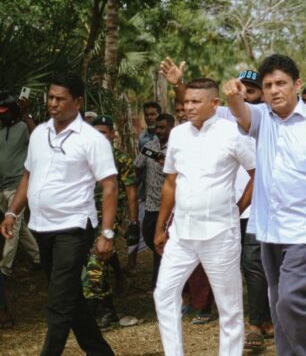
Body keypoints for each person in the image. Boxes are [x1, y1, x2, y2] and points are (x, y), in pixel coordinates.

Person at [224, 54, 306, 356]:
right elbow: (240, 112)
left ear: (297, 84)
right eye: (268, 85)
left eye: (280, 83)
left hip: (305, 228)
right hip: (269, 226)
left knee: (290, 298)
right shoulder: (261, 118)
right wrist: (232, 96)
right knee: (276, 299)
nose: (274, 90)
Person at [1, 73, 117, 355]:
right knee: (70, 297)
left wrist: (107, 233)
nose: (53, 103)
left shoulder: (91, 139)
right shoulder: (39, 133)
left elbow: (110, 185)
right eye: (50, 97)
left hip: (73, 227)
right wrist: (12, 213)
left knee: (58, 301)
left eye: (60, 99)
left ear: (77, 102)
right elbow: (28, 176)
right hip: (42, 226)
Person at [153, 78, 256, 356]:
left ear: (214, 104)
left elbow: (257, 173)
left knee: (229, 306)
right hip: (181, 233)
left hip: (220, 232)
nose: (188, 107)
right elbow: (170, 183)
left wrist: (238, 207)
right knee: (164, 294)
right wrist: (161, 227)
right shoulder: (178, 134)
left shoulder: (232, 133)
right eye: (186, 101)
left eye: (195, 102)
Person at [86, 115, 138, 328]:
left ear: (112, 134)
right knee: (96, 262)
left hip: (110, 216)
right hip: (86, 215)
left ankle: (90, 314)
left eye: (103, 133)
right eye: (95, 132)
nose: (99, 137)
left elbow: (131, 191)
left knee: (95, 262)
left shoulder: (121, 159)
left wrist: (133, 222)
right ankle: (109, 311)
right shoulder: (85, 156)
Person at [0, 91, 40, 277]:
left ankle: (4, 268)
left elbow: (38, 137)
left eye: (6, 112)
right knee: (18, 225)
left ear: (13, 111)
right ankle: (38, 257)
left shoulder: (23, 127)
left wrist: (26, 113)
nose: (3, 116)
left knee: (12, 227)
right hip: (3, 186)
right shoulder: (1, 132)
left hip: (18, 186)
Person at [134, 113, 175, 290]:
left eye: (163, 128)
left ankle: (159, 282)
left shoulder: (177, 148)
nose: (159, 131)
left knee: (162, 242)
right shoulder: (149, 146)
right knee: (149, 236)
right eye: (157, 128)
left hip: (170, 206)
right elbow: (137, 165)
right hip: (151, 203)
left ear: (171, 128)